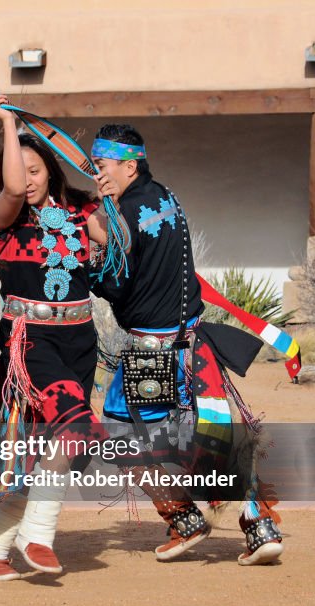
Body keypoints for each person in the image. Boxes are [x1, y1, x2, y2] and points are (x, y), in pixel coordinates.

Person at [90, 123, 284, 566]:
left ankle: (182, 517)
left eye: (102, 167)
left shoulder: (123, 216)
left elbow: (115, 284)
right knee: (212, 435)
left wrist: (92, 256)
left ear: (129, 165)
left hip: (152, 352)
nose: (97, 175)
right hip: (193, 346)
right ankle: (259, 524)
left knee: (121, 435)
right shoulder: (165, 197)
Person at [0, 90, 117, 581]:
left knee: (41, 455)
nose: (27, 180)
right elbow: (12, 189)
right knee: (76, 427)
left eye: (35, 171)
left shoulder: (80, 209)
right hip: (27, 344)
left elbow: (119, 241)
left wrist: (115, 195)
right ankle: (39, 535)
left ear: (52, 171)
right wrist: (7, 124)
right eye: (19, 169)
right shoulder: (3, 216)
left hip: (80, 341)